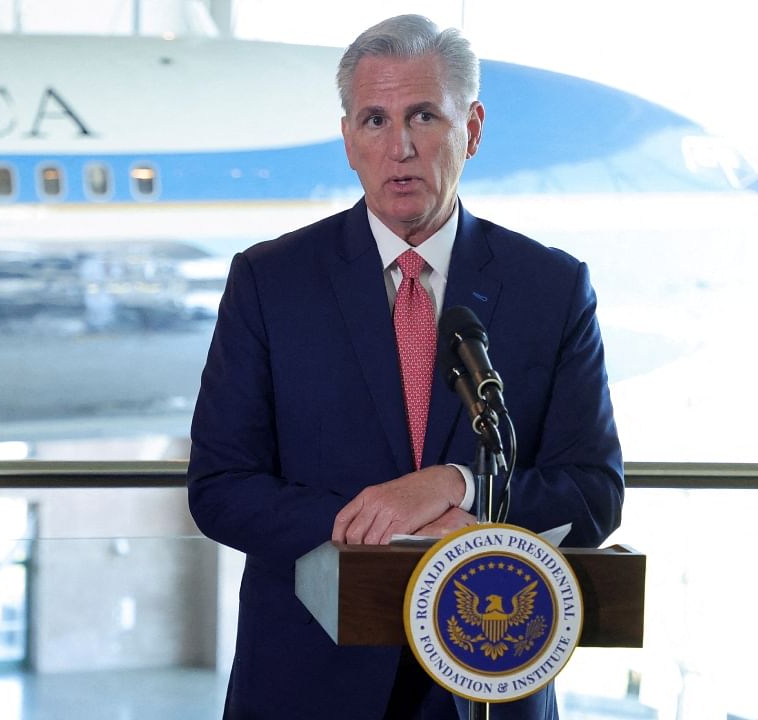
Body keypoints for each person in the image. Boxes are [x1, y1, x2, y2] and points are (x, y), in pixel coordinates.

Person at [187, 14, 622, 720]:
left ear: (472, 130)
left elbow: (594, 491)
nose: (400, 148)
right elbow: (220, 486)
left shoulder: (551, 286)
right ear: (348, 141)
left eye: (424, 116)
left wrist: (458, 487)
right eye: (374, 120)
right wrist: (388, 527)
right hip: (307, 683)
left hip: (488, 674)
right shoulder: (271, 281)